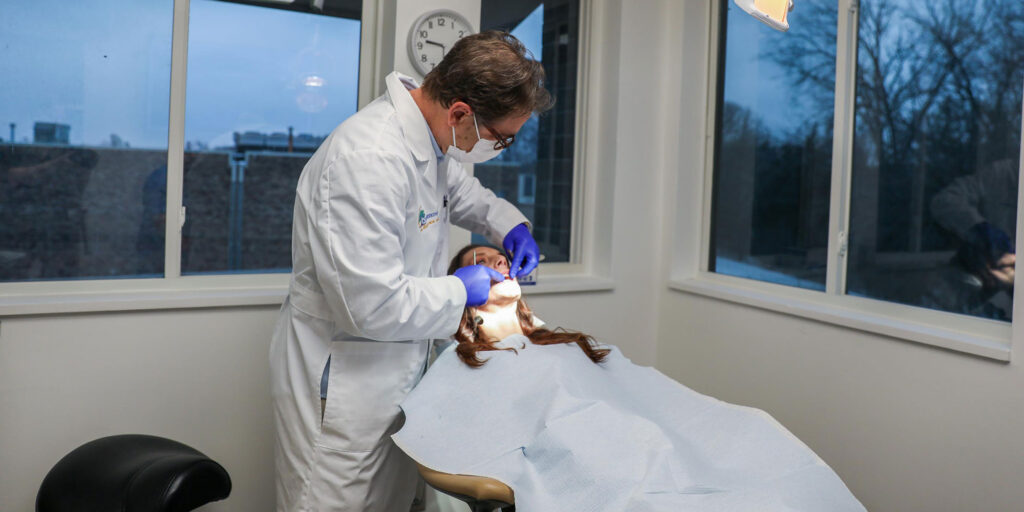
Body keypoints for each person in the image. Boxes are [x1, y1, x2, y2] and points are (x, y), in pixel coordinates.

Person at [269, 31, 552, 511]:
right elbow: (370, 305)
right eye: (502, 138)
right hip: (347, 388)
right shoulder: (368, 159)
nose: (503, 147)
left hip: (396, 379)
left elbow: (462, 194)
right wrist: (459, 291)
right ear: (461, 112)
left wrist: (511, 228)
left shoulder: (430, 141)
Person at [392, 244, 867, 512]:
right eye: (480, 261)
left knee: (767, 452)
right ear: (461, 293)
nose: (496, 262)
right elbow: (443, 439)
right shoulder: (465, 360)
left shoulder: (565, 344)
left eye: (500, 258)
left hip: (659, 437)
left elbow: (648, 396)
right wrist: (498, 485)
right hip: (595, 454)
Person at [927, 158, 1018, 320]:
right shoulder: (1004, 173)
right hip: (962, 297)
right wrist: (978, 228)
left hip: (1008, 321)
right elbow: (944, 201)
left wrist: (1014, 284)